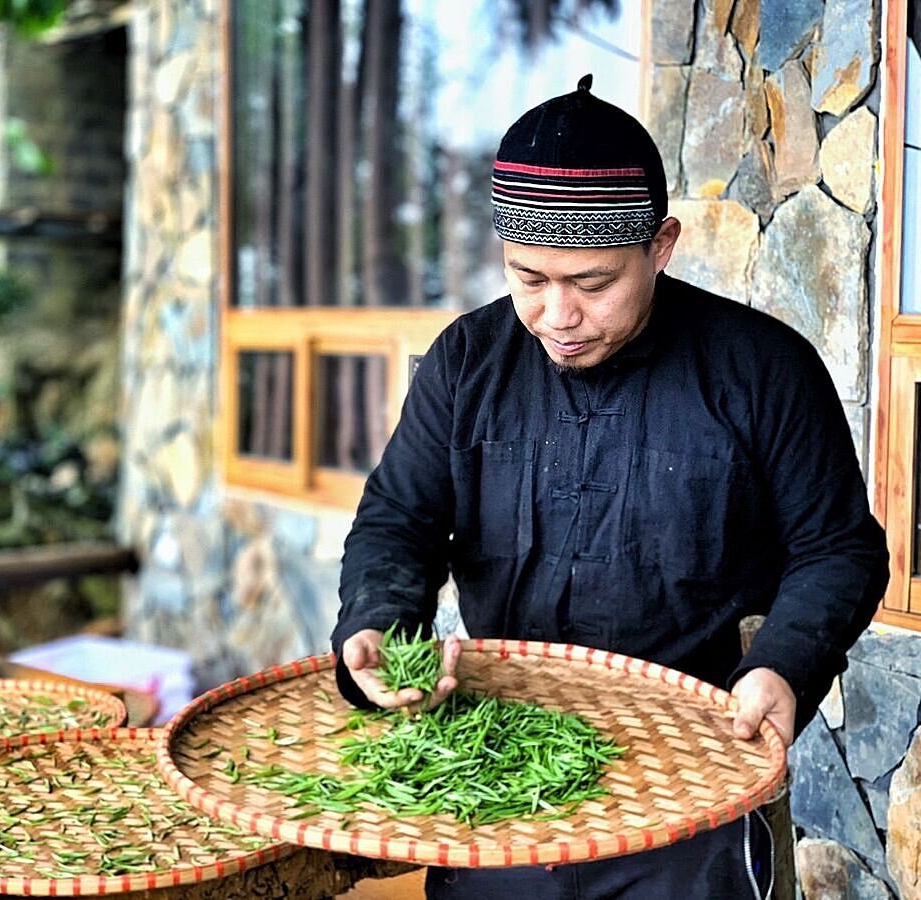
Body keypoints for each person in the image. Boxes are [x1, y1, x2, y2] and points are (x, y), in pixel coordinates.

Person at [329, 74, 890, 900]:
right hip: (496, 776)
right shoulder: (465, 364)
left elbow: (838, 549)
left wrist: (784, 667)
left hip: (691, 783)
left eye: (592, 285)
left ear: (660, 247)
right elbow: (398, 520)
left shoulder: (763, 370)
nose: (558, 314)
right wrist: (377, 623)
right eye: (529, 279)